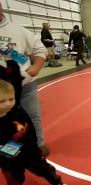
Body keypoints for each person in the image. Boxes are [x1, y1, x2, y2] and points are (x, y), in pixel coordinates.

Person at [0, 79, 76, 185]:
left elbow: (29, 127)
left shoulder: (17, 110)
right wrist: (15, 154)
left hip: (30, 149)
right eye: (2, 101)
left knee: (45, 168)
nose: (8, 103)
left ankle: (59, 184)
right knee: (17, 178)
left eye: (11, 99)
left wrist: (34, 145)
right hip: (12, 157)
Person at [0, 2, 50, 156]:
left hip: (24, 86)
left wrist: (34, 69)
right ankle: (11, 150)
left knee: (32, 116)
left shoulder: (18, 30)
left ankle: (38, 145)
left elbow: (40, 49)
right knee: (4, 123)